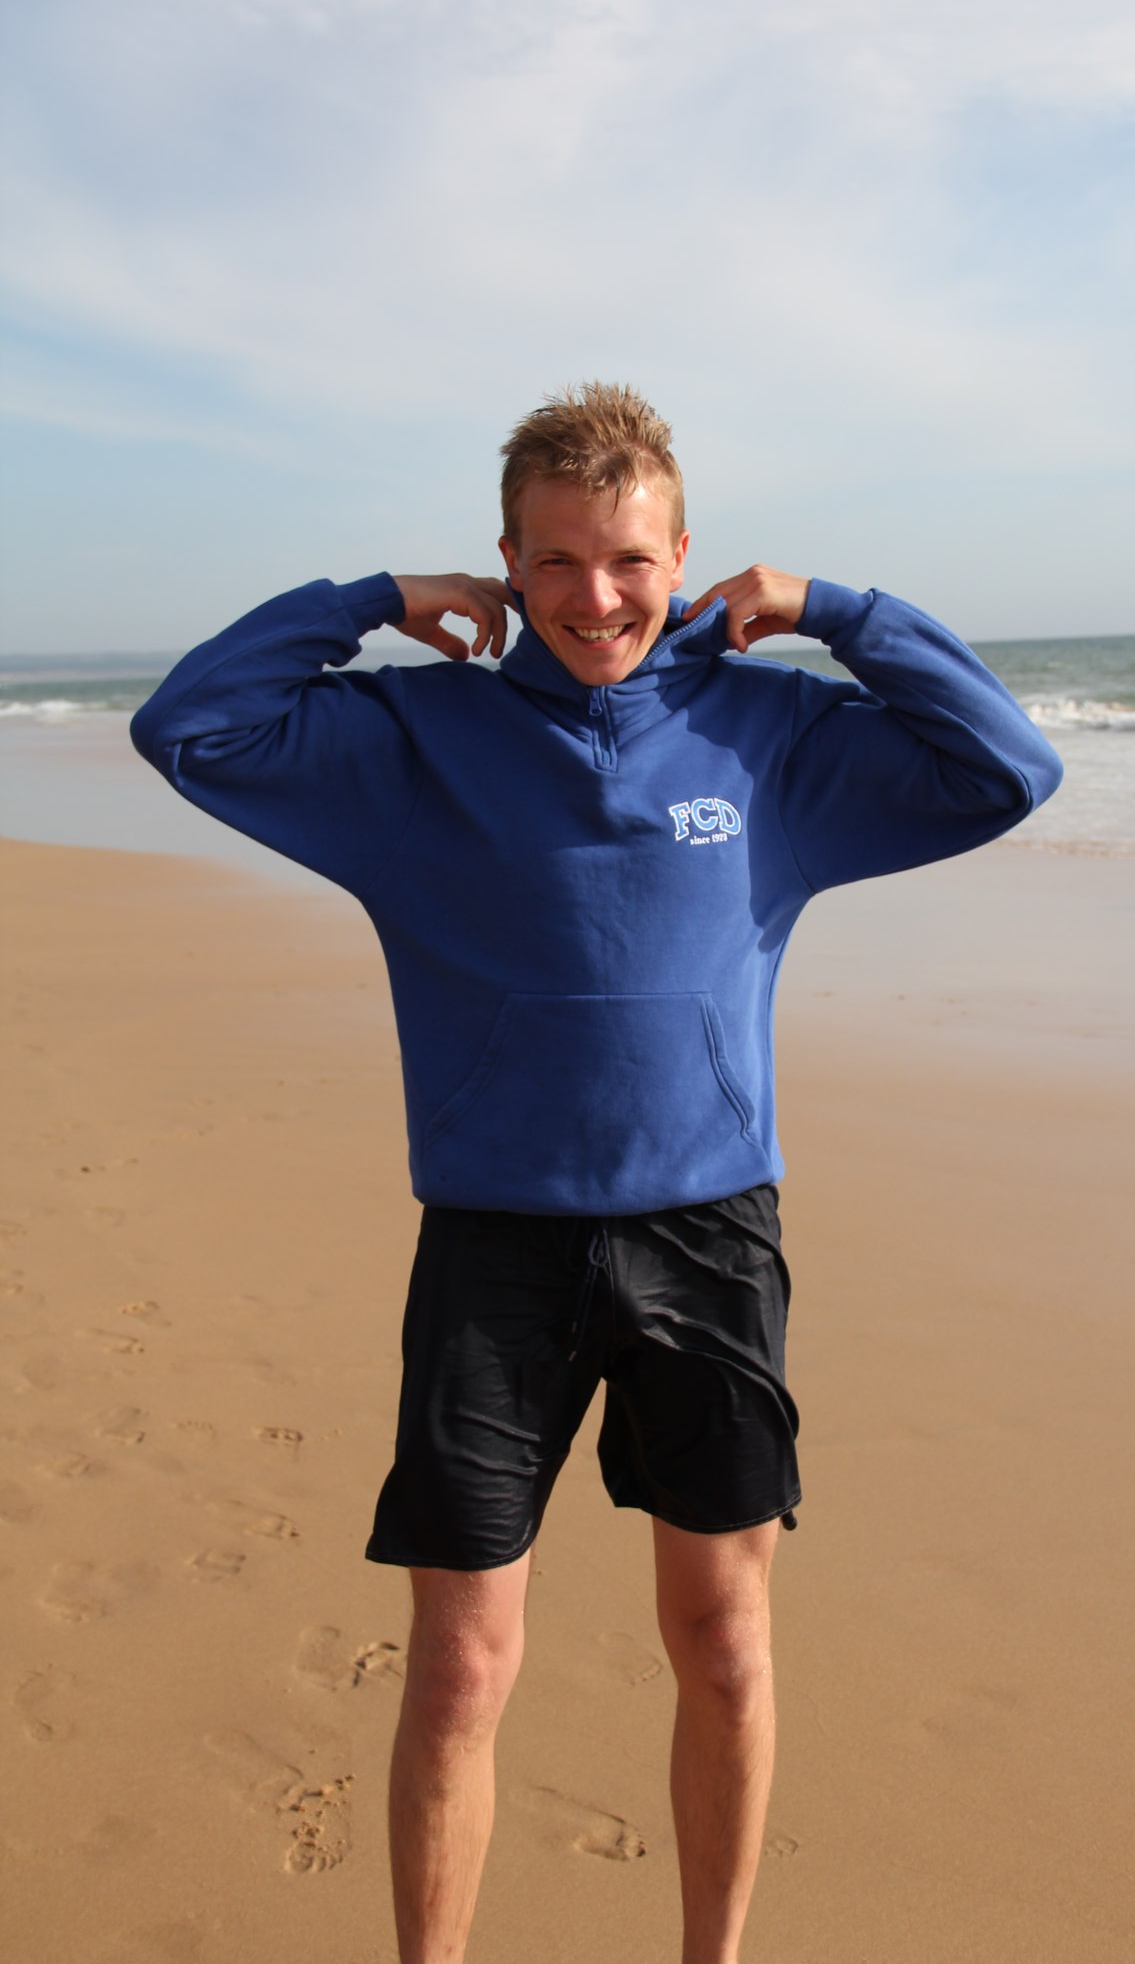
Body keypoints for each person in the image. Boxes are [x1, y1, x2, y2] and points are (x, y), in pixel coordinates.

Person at [131, 382, 1062, 1963]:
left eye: (629, 558)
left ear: (682, 556)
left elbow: (1004, 767)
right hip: (494, 1248)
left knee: (721, 1643)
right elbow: (189, 727)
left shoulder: (771, 739)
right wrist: (368, 599)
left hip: (708, 1237)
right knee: (458, 1669)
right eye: (554, 561)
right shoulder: (414, 743)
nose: (596, 596)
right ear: (505, 562)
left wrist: (835, 612)